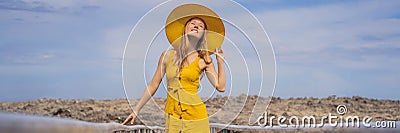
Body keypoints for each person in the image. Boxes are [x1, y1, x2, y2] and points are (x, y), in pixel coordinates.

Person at [122, 4, 226, 133]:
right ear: (185, 29)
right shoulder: (167, 56)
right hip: (172, 117)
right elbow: (153, 85)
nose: (196, 26)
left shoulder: (203, 60)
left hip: (196, 117)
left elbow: (220, 87)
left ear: (203, 35)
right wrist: (136, 109)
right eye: (192, 23)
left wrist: (220, 61)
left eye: (200, 26)